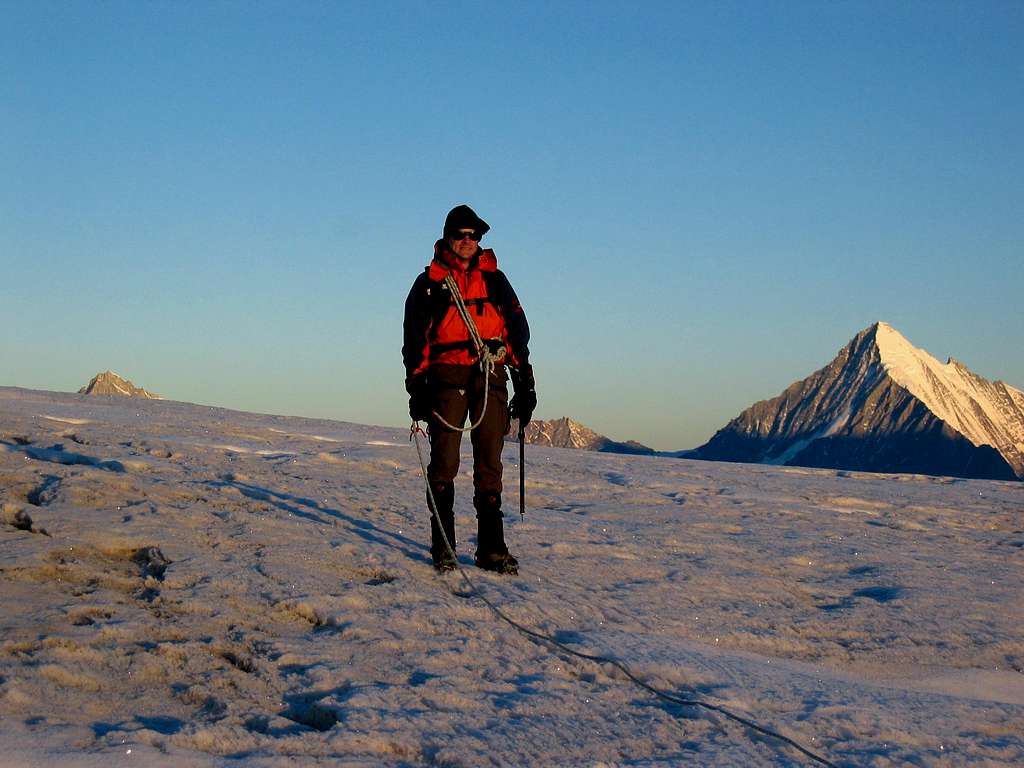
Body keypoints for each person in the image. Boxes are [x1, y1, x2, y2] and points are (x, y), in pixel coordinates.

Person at [403, 204, 537, 575]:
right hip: (446, 379)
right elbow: (415, 340)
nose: (467, 241)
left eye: (473, 235)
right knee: (444, 463)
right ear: (448, 237)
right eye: (461, 235)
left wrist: (524, 378)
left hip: (490, 375)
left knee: (490, 464)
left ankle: (491, 549)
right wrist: (417, 387)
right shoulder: (429, 284)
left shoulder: (495, 281)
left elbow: (516, 328)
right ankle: (444, 546)